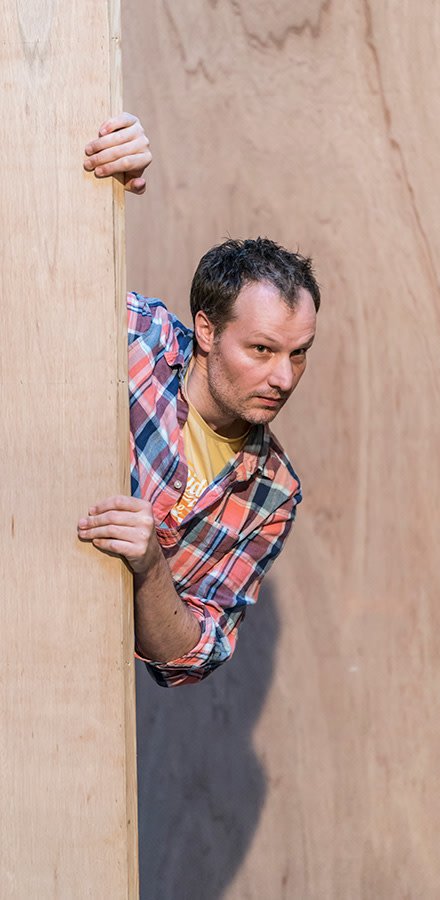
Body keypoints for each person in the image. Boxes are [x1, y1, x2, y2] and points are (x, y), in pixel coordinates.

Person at [77, 114, 319, 687]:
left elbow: (188, 660)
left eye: (299, 353)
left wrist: (150, 564)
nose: (283, 378)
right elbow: (33, 269)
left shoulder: (272, 494)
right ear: (206, 331)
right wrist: (106, 174)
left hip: (77, 695)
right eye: (261, 349)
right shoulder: (135, 338)